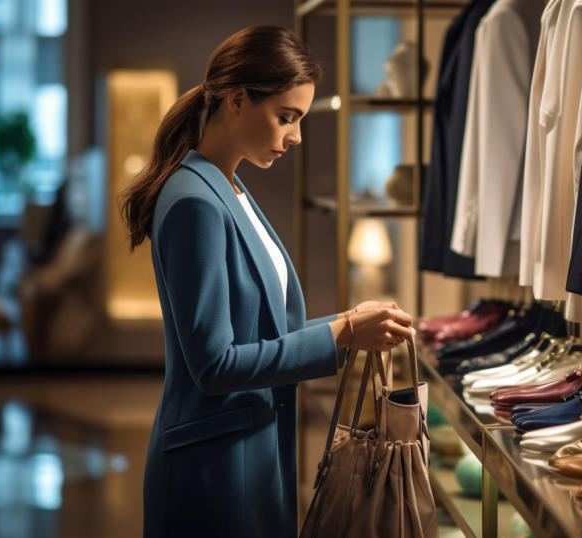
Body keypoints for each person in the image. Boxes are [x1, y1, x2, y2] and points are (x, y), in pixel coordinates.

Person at [117, 25, 415, 538]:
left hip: (250, 458)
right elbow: (214, 364)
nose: (296, 136)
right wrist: (343, 334)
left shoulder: (229, 186)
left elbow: (266, 334)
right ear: (235, 100)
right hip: (211, 473)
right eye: (286, 117)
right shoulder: (194, 200)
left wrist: (350, 321)